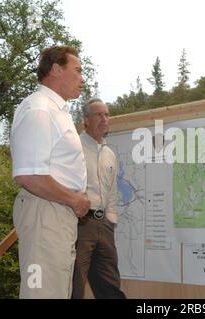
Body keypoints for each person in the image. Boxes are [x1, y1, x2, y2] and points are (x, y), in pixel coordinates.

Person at [10, 46, 90, 298]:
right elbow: (29, 175)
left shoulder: (57, 112)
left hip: (55, 214)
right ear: (56, 69)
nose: (82, 78)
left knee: (53, 291)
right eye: (77, 70)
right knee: (42, 293)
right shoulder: (40, 110)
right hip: (46, 212)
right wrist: (75, 199)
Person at [72, 98, 125, 299]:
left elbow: (111, 191)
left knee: (110, 285)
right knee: (75, 284)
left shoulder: (109, 154)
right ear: (85, 120)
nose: (104, 119)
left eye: (106, 114)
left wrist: (110, 220)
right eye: (98, 115)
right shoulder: (73, 147)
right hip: (80, 223)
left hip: (105, 225)